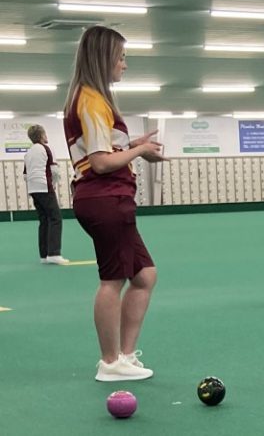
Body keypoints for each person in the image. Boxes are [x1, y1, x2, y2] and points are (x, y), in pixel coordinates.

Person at [63, 26, 167, 382]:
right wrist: (139, 151)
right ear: (103, 58)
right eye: (121, 57)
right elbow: (101, 162)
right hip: (105, 199)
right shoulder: (91, 100)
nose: (124, 64)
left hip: (110, 199)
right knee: (112, 280)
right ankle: (110, 362)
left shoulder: (94, 100)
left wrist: (132, 144)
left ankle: (124, 355)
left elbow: (105, 150)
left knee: (144, 275)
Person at [23, 124, 68, 265]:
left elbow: (25, 175)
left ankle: (44, 255)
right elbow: (54, 171)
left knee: (44, 220)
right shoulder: (47, 149)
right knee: (56, 218)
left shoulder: (28, 152)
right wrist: (53, 184)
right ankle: (54, 253)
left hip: (33, 189)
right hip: (44, 187)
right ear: (42, 135)